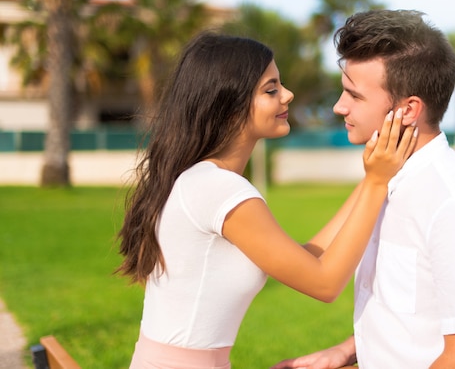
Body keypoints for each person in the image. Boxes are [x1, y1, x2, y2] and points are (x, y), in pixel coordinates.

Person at [115, 31, 418, 369]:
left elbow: (307, 259)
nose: (287, 95)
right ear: (228, 105)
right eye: (271, 90)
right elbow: (325, 282)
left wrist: (372, 177)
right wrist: (377, 183)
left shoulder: (202, 181)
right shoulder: (219, 189)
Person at [271, 10, 455, 369]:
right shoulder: (388, 183)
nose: (338, 106)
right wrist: (345, 352)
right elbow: (414, 315)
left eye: (353, 95)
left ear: (407, 110)